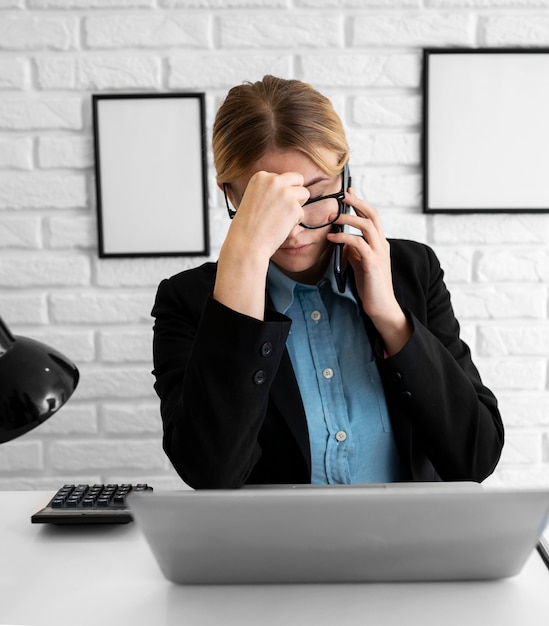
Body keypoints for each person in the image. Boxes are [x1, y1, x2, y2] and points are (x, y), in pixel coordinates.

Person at [151, 75, 504, 489]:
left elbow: (475, 457)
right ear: (229, 194)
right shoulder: (188, 301)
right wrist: (242, 264)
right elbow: (210, 473)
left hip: (408, 545)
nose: (295, 230)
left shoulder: (413, 270)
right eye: (271, 205)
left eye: (314, 195)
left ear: (345, 178)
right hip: (272, 551)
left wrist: (390, 317)